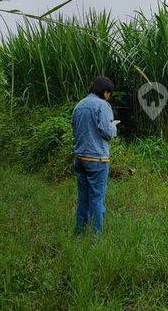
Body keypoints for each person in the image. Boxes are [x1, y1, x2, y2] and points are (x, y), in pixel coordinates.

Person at [71, 76, 119, 235]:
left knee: (83, 198)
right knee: (97, 199)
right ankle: (97, 236)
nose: (109, 96)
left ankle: (80, 232)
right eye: (109, 93)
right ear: (105, 92)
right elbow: (107, 132)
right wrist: (113, 127)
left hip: (80, 158)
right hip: (97, 159)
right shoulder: (103, 105)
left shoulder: (80, 105)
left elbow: (75, 129)